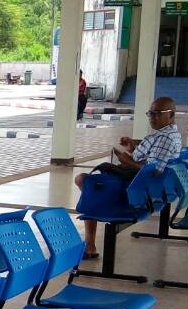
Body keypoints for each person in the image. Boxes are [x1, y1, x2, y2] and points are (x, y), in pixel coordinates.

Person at [73, 95, 182, 259]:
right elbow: (152, 161)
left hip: (136, 190)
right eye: (150, 113)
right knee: (91, 183)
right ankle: (91, 237)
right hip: (139, 184)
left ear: (171, 115)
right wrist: (133, 149)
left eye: (157, 113)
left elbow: (154, 172)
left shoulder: (165, 138)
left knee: (85, 182)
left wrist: (128, 161)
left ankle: (90, 243)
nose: (152, 117)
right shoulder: (168, 134)